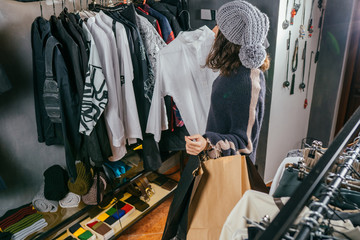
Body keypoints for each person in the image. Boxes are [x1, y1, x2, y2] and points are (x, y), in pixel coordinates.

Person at [184, 0, 270, 164]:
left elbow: (245, 143)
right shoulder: (234, 70)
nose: (214, 30)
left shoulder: (248, 81)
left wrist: (208, 143)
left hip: (231, 172)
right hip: (218, 163)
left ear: (229, 39)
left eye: (218, 26)